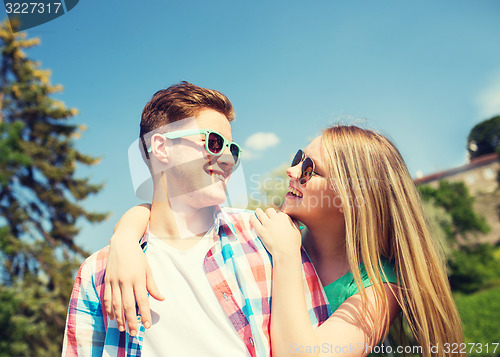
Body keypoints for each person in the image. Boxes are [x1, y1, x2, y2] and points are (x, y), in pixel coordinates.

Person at [106, 125, 465, 356]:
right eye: (298, 159)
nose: (293, 171)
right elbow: (177, 216)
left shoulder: (379, 287)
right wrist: (124, 239)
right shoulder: (276, 231)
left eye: (310, 169)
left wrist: (288, 256)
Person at [62, 82, 329, 357]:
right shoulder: (98, 272)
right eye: (213, 142)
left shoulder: (271, 240)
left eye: (232, 149)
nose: (228, 159)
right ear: (162, 147)